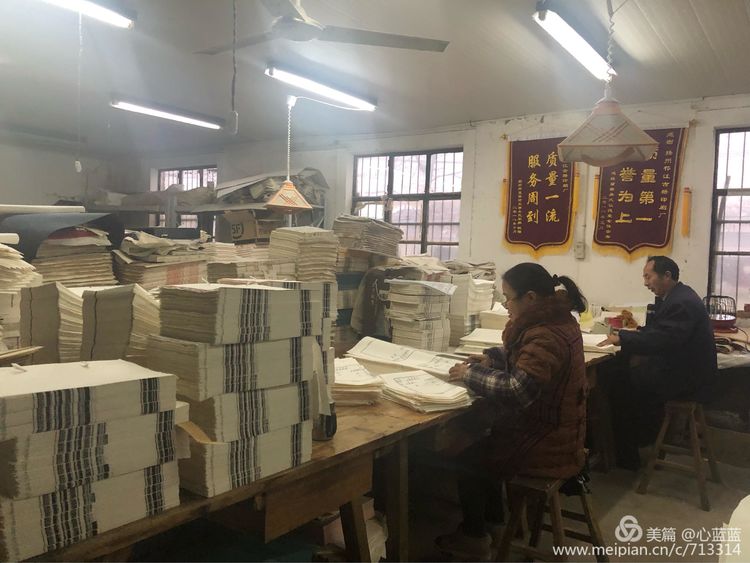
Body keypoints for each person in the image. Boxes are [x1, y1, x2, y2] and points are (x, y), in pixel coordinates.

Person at [436, 263, 588, 561]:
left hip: (546, 443)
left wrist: (469, 374)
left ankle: (474, 537)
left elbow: (517, 389)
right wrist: (491, 358)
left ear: (530, 298)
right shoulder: (558, 321)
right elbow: (526, 356)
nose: (505, 304)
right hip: (559, 432)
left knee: (469, 454)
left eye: (508, 298)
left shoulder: (546, 334)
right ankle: (495, 524)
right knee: (484, 442)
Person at [597, 255, 717, 468]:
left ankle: (627, 455)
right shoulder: (678, 296)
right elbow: (660, 330)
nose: (645, 283)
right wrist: (633, 333)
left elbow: (662, 339)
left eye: (648, 276)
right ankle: (638, 445)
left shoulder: (681, 302)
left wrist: (622, 338)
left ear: (667, 275)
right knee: (623, 375)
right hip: (684, 372)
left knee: (616, 382)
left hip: (687, 380)